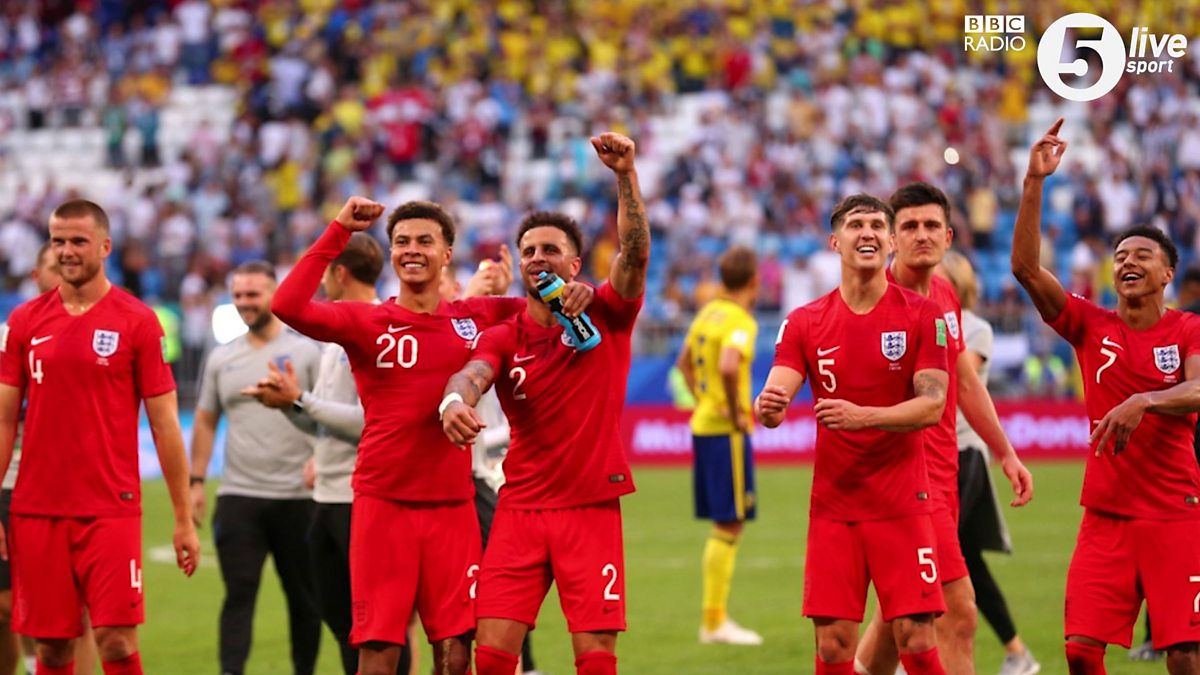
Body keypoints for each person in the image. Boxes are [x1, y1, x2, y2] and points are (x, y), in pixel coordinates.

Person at [269, 197, 589, 675]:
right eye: (401, 242)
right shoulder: (366, 321)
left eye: (424, 241)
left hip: (453, 508)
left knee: (457, 651)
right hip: (383, 506)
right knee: (379, 650)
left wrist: (580, 291)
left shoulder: (476, 316)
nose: (412, 250)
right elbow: (286, 305)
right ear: (391, 253)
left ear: (446, 254)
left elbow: (552, 305)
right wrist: (339, 229)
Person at [439, 131, 650, 675]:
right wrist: (453, 403)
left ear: (575, 265)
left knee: (596, 659)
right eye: (529, 251)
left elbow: (634, 253)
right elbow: (472, 374)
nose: (538, 258)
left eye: (550, 250)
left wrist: (625, 175)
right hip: (521, 509)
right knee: (491, 658)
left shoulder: (607, 313)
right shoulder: (505, 334)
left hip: (590, 507)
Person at [1013, 118, 1200, 675]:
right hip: (1106, 515)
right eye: (1120, 255)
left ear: (1167, 273)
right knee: (1079, 650)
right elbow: (1025, 269)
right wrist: (1034, 181)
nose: (1128, 262)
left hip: (1175, 513)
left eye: (1142, 254)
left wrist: (1144, 401)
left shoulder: (1188, 329)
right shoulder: (1089, 325)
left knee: (1185, 655)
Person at [0, 199, 200, 675]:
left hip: (110, 507)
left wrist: (182, 518)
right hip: (37, 508)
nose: (67, 251)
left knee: (116, 641)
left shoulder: (138, 320)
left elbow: (165, 424)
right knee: (51, 649)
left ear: (105, 246)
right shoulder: (25, 322)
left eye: (78, 241)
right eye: (58, 241)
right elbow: (4, 420)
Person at [753, 194, 950, 675]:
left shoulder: (924, 315)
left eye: (877, 225)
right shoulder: (804, 321)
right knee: (834, 645)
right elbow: (776, 394)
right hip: (835, 507)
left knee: (916, 636)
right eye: (856, 225)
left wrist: (864, 417)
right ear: (834, 241)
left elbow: (933, 405)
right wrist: (768, 406)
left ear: (890, 241)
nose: (867, 233)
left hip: (902, 502)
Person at [856, 183, 1034, 675]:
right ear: (892, 238)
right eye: (909, 226)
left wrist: (1005, 452)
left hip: (942, 472)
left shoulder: (944, 296)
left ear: (949, 236)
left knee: (900, 611)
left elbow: (965, 381)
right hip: (898, 483)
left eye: (931, 225)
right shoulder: (869, 299)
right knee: (956, 609)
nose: (922, 235)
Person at [240, 233, 414, 675]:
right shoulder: (337, 338)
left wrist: (302, 400)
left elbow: (371, 421)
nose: (319, 284)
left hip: (364, 500)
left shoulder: (382, 332)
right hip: (328, 497)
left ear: (339, 273)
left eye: (323, 274)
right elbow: (322, 422)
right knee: (344, 626)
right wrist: (288, 404)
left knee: (380, 629)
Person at [189, 260, 324, 675]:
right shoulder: (221, 357)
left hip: (299, 496)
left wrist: (320, 457)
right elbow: (206, 419)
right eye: (238, 295)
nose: (245, 303)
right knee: (238, 594)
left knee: (304, 599)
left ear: (274, 294)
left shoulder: (307, 352)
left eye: (253, 295)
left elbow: (328, 413)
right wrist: (196, 481)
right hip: (239, 495)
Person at [437, 262, 545, 675]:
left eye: (444, 282)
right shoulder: (426, 331)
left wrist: (492, 296)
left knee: (500, 587)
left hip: (478, 478)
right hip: (436, 485)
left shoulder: (483, 333)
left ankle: (523, 664)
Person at [0, 244, 102, 675]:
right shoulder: (13, 332)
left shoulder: (98, 331)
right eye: (51, 264)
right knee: (7, 605)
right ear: (37, 276)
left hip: (76, 485)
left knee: (81, 609)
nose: (62, 269)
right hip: (14, 481)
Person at [941, 250, 1040, 675]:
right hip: (934, 453)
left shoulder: (975, 328)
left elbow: (955, 376)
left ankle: (915, 651)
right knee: (964, 559)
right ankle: (1018, 651)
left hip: (963, 453)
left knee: (937, 554)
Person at [675, 245, 763, 646]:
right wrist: (733, 410)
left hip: (703, 425)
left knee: (725, 522)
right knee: (730, 522)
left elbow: (683, 363)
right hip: (726, 432)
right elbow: (729, 364)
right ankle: (714, 622)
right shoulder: (740, 320)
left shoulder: (707, 312)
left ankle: (714, 620)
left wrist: (703, 401)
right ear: (754, 281)